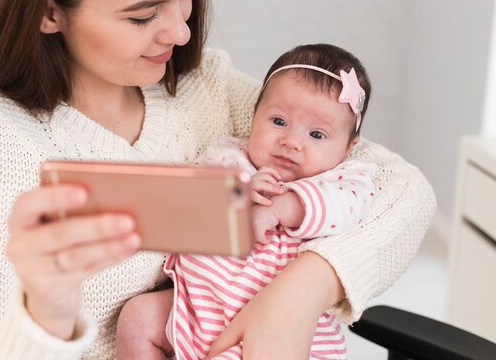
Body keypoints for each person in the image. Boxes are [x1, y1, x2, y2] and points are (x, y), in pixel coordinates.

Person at [0, 0, 436, 360]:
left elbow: (402, 190)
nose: (182, 32)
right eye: (142, 16)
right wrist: (45, 312)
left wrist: (297, 295)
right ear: (49, 10)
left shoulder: (203, 86)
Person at [115, 43, 377, 360]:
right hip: (192, 310)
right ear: (254, 116)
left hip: (275, 334)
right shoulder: (227, 156)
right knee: (138, 317)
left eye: (317, 135)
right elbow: (188, 205)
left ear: (349, 148)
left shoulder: (344, 179)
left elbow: (350, 208)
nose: (291, 142)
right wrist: (235, 194)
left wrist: (283, 207)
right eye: (278, 121)